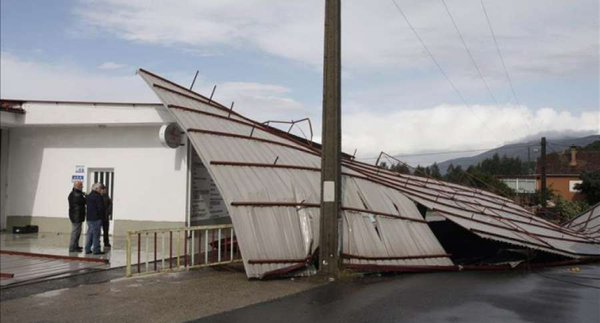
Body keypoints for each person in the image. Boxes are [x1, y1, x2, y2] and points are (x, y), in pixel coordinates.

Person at [85, 183, 106, 255]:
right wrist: (102, 218)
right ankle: (96, 250)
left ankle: (87, 249)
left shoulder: (89, 196)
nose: (101, 189)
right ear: (96, 189)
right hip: (96, 218)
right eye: (100, 188)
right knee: (96, 235)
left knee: (90, 234)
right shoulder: (98, 196)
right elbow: (100, 208)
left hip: (89, 218)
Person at [68, 181, 86, 252]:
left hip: (76, 215)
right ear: (78, 186)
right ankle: (72, 247)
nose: (82, 187)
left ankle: (75, 246)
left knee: (77, 231)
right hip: (76, 216)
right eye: (81, 186)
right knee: (75, 232)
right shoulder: (76, 194)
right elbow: (84, 201)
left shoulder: (74, 193)